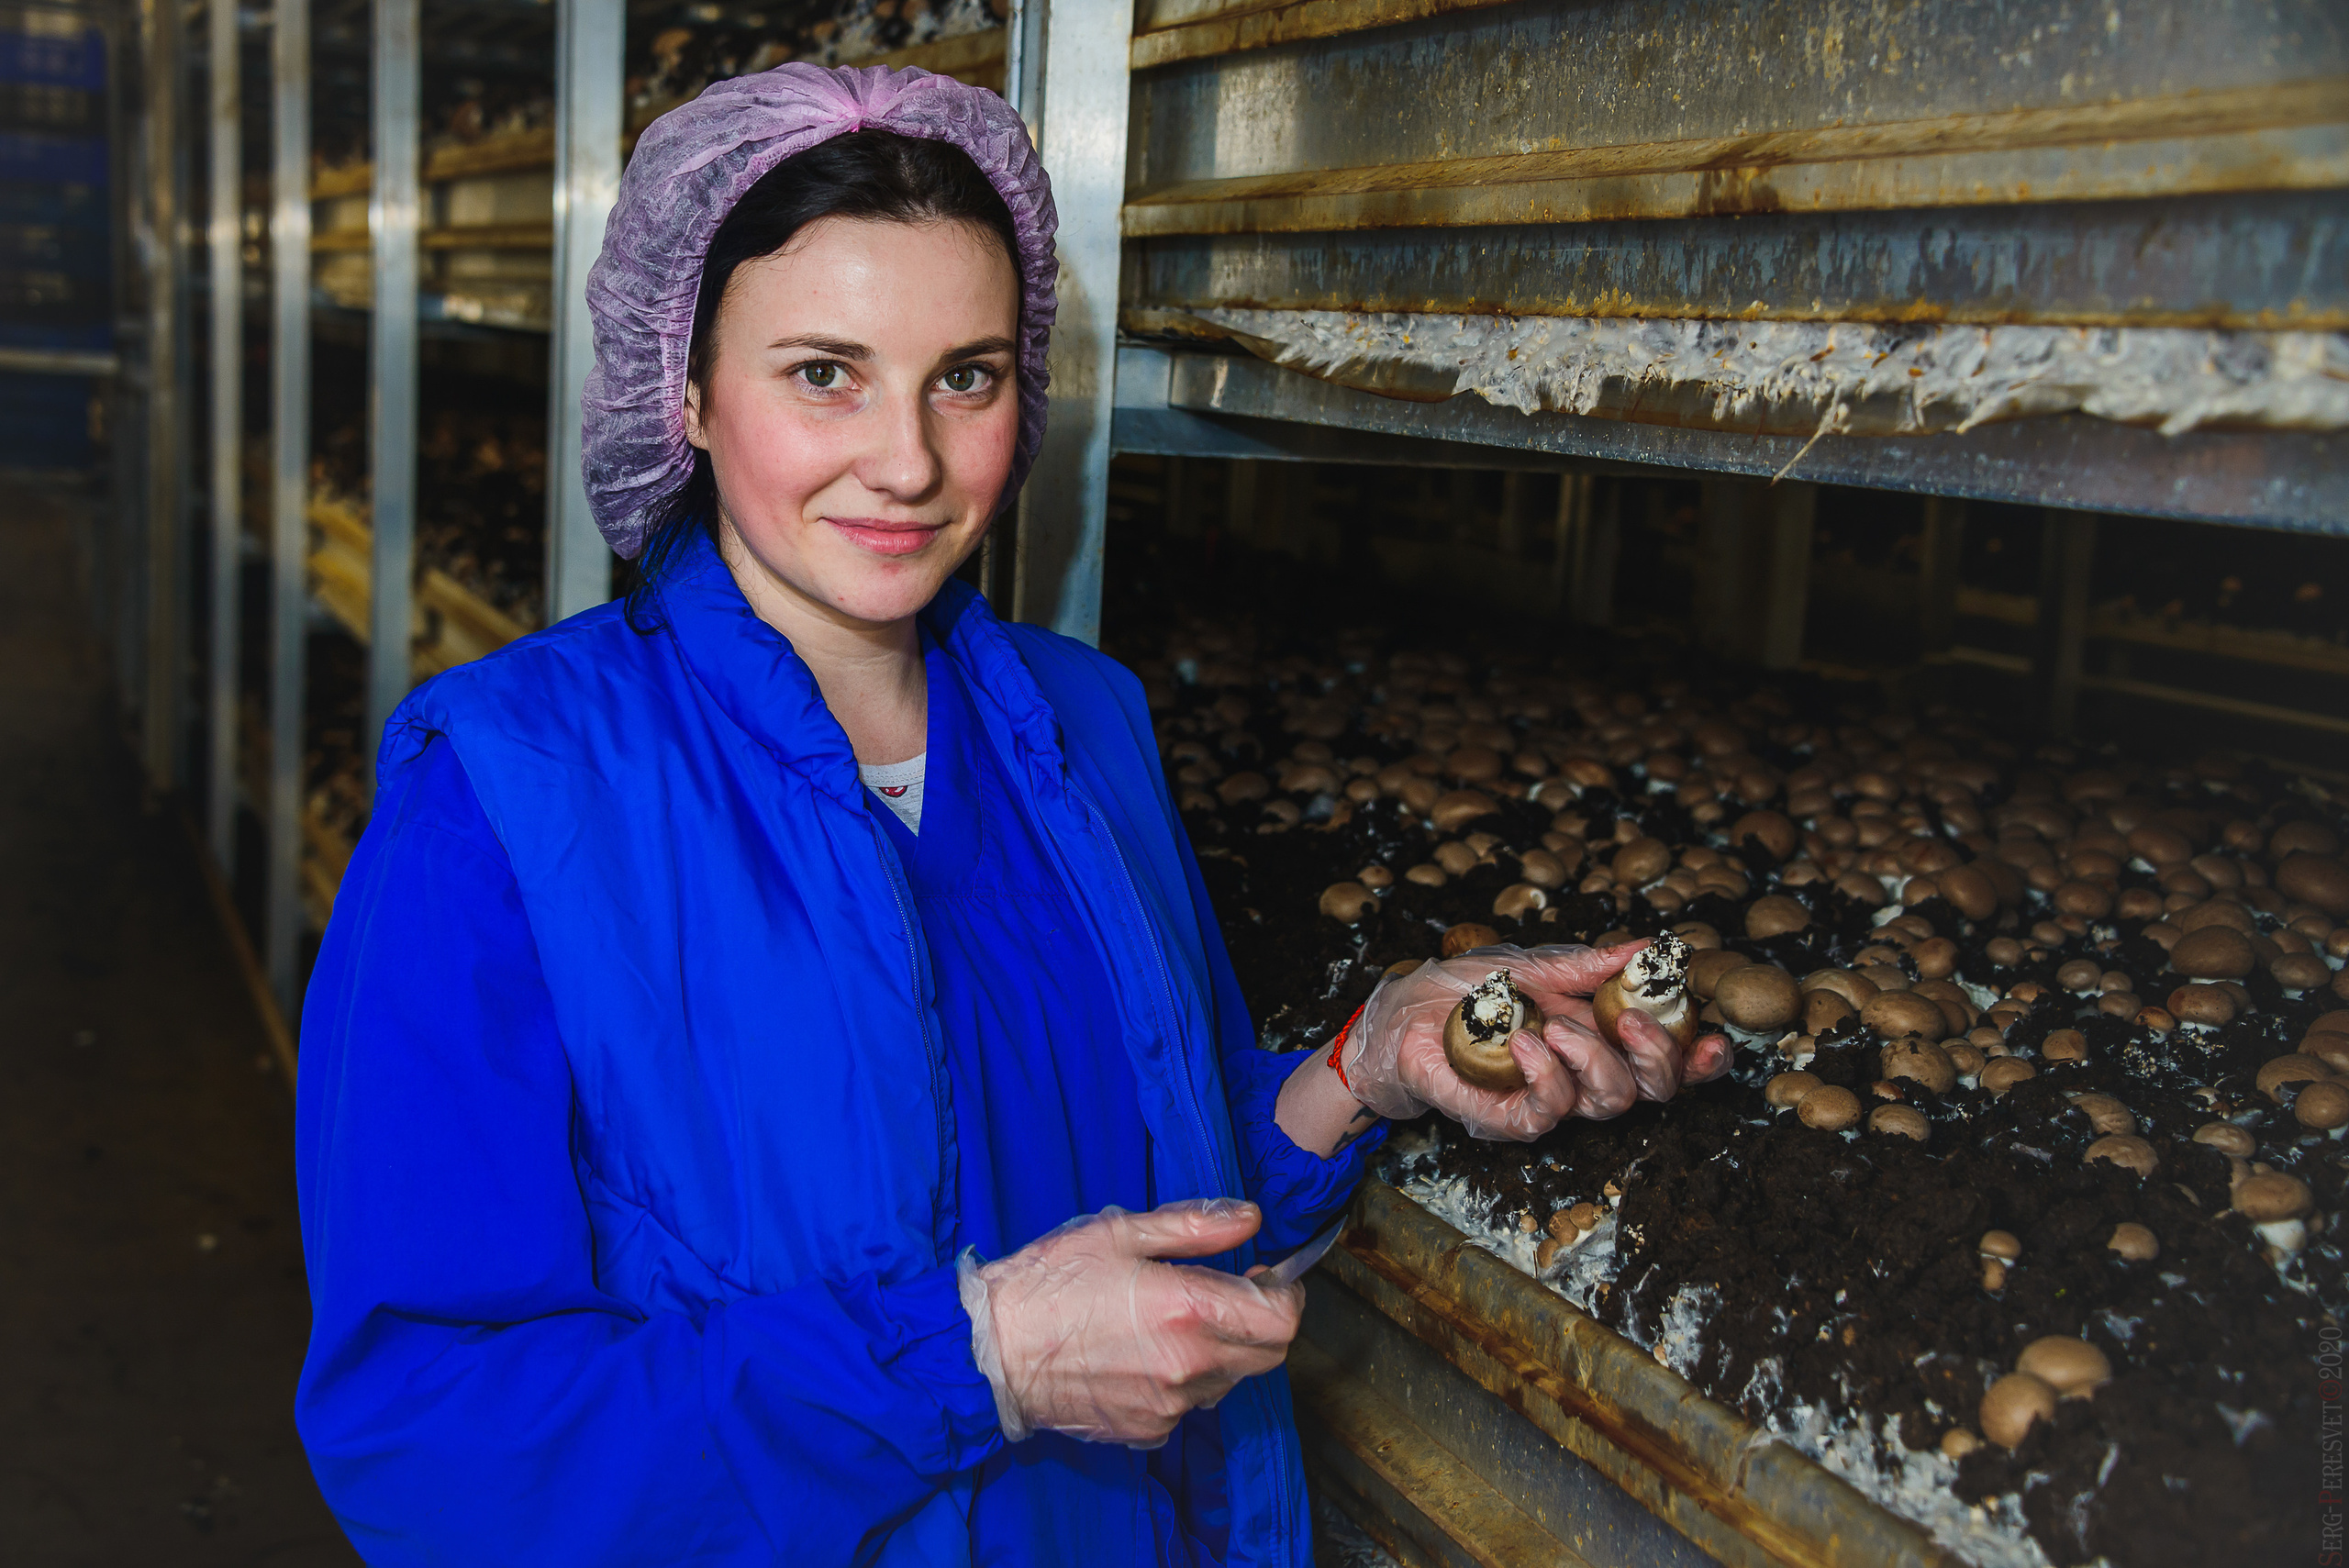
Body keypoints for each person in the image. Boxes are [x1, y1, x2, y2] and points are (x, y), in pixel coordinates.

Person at [292, 63, 1729, 1568]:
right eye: (822, 373)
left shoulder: (1081, 726)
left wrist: (1359, 1070)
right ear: (687, 392)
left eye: (964, 376)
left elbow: (1122, 1170)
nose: (907, 462)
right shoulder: (507, 798)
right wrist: (973, 1364)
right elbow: (435, 1440)